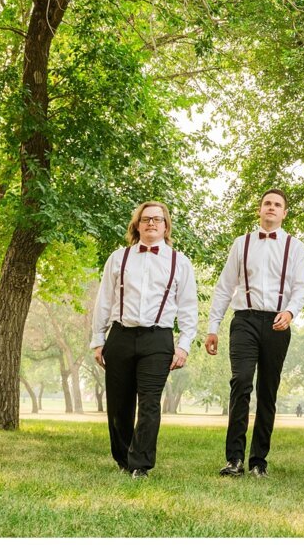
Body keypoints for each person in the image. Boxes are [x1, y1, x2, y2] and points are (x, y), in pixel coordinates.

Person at [206, 189, 304, 478]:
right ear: (259, 209)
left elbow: (303, 287)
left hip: (278, 323)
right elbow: (225, 287)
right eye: (267, 203)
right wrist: (212, 326)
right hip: (244, 321)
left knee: (268, 390)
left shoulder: (295, 247)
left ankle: (258, 460)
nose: (271, 208)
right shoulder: (242, 244)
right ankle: (234, 459)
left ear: (284, 213)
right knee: (240, 383)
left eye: (278, 205)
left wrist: (290, 312)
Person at [91, 201, 198, 479]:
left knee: (150, 403)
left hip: (158, 339)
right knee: (118, 406)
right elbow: (104, 300)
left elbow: (188, 307)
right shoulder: (119, 258)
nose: (152, 223)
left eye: (158, 219)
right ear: (137, 225)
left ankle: (140, 464)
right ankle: (124, 457)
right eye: (146, 219)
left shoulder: (179, 262)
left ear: (166, 226)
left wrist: (184, 345)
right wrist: (97, 339)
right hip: (121, 335)